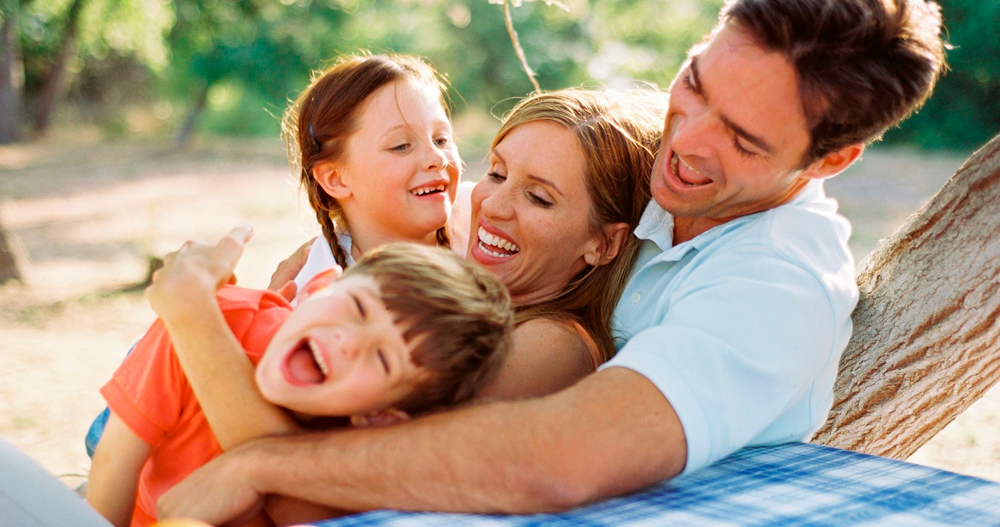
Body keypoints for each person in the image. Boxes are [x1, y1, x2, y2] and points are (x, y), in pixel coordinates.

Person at [150, 0, 946, 522]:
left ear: (830, 160)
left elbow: (557, 459)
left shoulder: (778, 283)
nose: (688, 140)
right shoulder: (641, 181)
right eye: (694, 84)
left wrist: (256, 456)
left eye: (741, 137)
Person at [85, 52, 463, 458]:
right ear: (336, 178)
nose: (436, 158)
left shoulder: (480, 223)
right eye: (402, 146)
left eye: (442, 139)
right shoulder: (316, 292)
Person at [86, 243, 514, 527]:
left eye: (382, 358)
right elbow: (113, 463)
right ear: (317, 287)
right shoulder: (222, 316)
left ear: (379, 417)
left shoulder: (356, 456)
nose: (348, 341)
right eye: (357, 308)